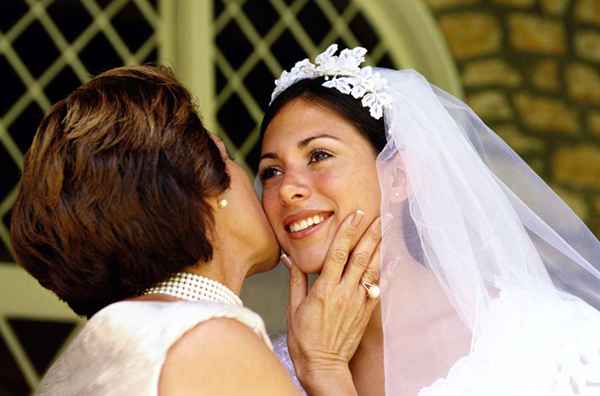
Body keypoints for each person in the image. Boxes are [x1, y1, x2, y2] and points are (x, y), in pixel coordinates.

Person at [10, 65, 381, 396]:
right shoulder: (207, 341)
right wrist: (326, 370)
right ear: (203, 194)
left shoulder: (109, 344)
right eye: (227, 159)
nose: (281, 190)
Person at [258, 45, 600, 396]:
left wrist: (327, 376)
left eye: (319, 155)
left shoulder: (544, 339)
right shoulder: (261, 371)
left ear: (398, 177)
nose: (286, 190)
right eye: (271, 171)